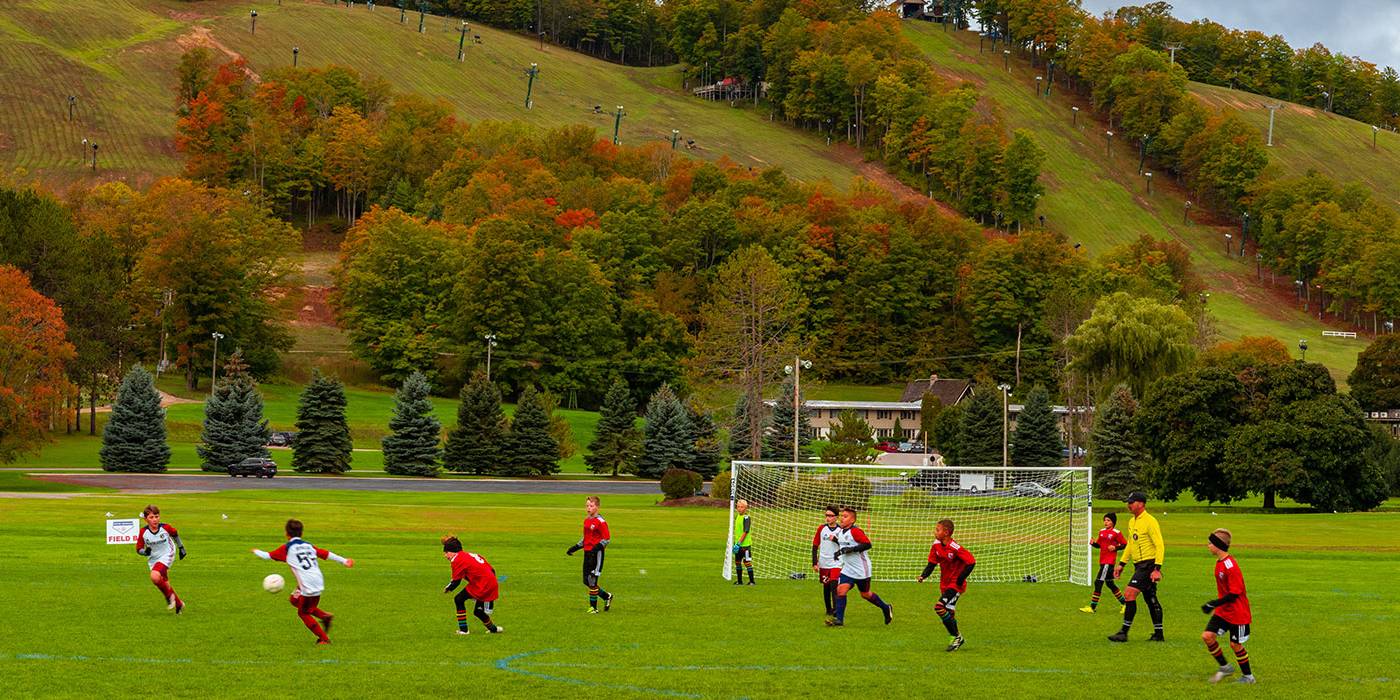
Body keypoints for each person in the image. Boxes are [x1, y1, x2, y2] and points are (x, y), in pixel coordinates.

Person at [252, 519, 355, 645]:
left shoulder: (287, 548)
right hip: (317, 580)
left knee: (303, 613)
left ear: (287, 534)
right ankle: (324, 616)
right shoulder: (308, 545)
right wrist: (344, 560)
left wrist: (255, 551)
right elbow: (325, 553)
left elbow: (266, 556)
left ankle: (324, 639)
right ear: (301, 533)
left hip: (308, 586)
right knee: (294, 600)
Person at [1108, 492, 1165, 642]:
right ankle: (1159, 634)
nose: (1129, 505)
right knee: (1150, 597)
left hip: (1149, 565)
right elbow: (1130, 545)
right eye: (1128, 502)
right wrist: (1121, 564)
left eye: (1132, 502)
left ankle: (1123, 633)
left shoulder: (1150, 521)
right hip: (1138, 564)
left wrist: (1157, 569)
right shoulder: (1132, 522)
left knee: (1129, 594)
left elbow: (1159, 545)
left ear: (1141, 504)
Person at [1201, 529, 1255, 684]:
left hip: (1238, 613)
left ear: (1218, 545)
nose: (1208, 545)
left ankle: (1248, 677)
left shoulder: (1230, 566)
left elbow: (1235, 594)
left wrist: (1213, 603)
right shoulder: (1219, 563)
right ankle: (1225, 667)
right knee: (1207, 636)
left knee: (1235, 645)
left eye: (1210, 543)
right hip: (1223, 612)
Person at [824, 506, 893, 627]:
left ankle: (886, 607)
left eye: (845, 517)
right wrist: (838, 553)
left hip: (862, 569)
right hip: (848, 568)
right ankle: (839, 620)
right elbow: (843, 545)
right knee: (841, 590)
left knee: (865, 594)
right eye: (842, 516)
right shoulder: (840, 532)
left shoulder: (855, 531)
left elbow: (867, 544)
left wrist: (852, 549)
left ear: (852, 520)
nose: (842, 519)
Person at [918, 518, 976, 651]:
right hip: (944, 584)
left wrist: (960, 580)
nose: (934, 532)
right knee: (949, 612)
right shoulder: (936, 545)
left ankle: (957, 636)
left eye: (937, 530)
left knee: (939, 607)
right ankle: (955, 639)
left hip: (955, 585)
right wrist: (923, 575)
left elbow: (971, 561)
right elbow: (932, 563)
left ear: (946, 532)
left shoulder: (954, 547)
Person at [441, 535, 502, 635]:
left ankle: (464, 630)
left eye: (446, 553)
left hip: (482, 585)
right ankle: (493, 629)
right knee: (477, 611)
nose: (445, 556)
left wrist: (448, 588)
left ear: (452, 552)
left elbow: (456, 581)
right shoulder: (469, 555)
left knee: (459, 599)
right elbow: (492, 570)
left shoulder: (457, 560)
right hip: (487, 582)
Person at [135, 505, 186, 614]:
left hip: (167, 553)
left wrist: (181, 547)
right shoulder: (143, 532)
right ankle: (179, 604)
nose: (155, 520)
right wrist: (145, 552)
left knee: (154, 576)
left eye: (157, 516)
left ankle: (169, 598)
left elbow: (175, 534)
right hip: (154, 558)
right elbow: (138, 549)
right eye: (151, 517)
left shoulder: (166, 528)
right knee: (163, 583)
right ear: (146, 519)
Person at [566, 495, 613, 613]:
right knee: (586, 581)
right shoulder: (587, 521)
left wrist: (596, 548)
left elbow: (606, 539)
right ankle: (607, 596)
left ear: (597, 507)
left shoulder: (601, 522)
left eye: (591, 506)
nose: (588, 508)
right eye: (587, 506)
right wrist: (574, 548)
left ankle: (593, 608)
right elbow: (585, 539)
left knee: (592, 580)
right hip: (587, 553)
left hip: (597, 554)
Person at [1080, 513, 1129, 613]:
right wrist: (1093, 543)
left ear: (1113, 522)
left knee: (1098, 582)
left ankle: (1092, 607)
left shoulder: (1116, 532)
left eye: (1108, 520)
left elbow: (1125, 544)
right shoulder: (1101, 532)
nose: (1106, 522)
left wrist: (1115, 547)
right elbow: (1099, 545)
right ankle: (1126, 604)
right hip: (1102, 561)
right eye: (1105, 520)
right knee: (1110, 583)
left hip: (1108, 562)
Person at [811, 505, 842, 618]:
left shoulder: (841, 530)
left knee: (834, 585)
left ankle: (836, 610)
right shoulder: (821, 529)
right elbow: (815, 545)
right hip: (824, 562)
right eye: (826, 515)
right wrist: (814, 562)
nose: (828, 518)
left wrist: (835, 539)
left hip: (836, 562)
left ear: (836, 517)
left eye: (830, 516)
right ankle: (828, 609)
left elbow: (845, 545)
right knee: (826, 586)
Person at [732, 499, 754, 585]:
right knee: (737, 562)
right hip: (738, 545)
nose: (739, 508)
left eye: (742, 507)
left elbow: (746, 531)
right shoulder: (737, 517)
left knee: (747, 563)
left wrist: (739, 543)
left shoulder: (746, 518)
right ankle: (739, 581)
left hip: (745, 546)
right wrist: (735, 543)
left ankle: (752, 581)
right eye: (738, 506)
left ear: (746, 508)